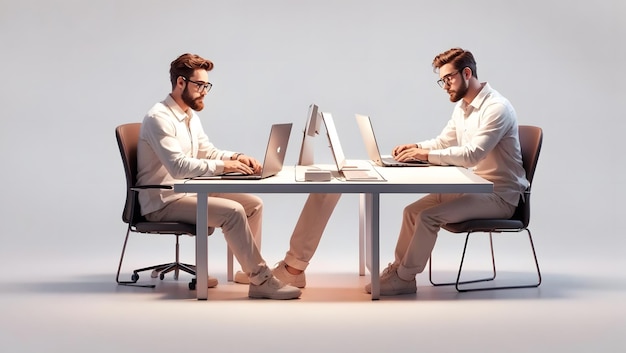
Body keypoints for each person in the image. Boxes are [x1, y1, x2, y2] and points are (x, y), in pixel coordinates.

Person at [136, 52, 301, 300]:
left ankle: (249, 270)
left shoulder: (190, 117)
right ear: (180, 82)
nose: (204, 91)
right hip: (163, 201)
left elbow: (207, 151)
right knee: (232, 211)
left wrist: (236, 157)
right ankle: (261, 280)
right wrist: (224, 167)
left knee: (252, 205)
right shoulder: (159, 118)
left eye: (207, 86)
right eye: (199, 85)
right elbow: (178, 167)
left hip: (188, 191)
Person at [365, 47, 529, 296]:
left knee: (428, 217)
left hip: (500, 196)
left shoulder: (497, 108)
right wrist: (418, 147)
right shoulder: (463, 106)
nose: (444, 86)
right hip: (472, 187)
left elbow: (472, 154)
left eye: (448, 78)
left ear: (466, 73)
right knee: (412, 212)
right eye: (441, 80)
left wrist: (425, 156)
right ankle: (399, 269)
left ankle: (406, 277)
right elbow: (444, 141)